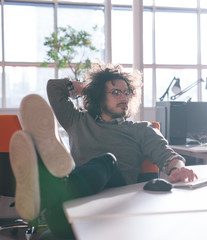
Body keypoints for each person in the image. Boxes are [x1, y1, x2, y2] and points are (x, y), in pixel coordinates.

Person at [9, 63, 197, 238]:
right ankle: (51, 195)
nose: (124, 97)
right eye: (116, 92)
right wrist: (89, 88)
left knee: (107, 161)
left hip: (116, 204)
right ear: (99, 95)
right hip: (78, 207)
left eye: (126, 92)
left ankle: (46, 193)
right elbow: (54, 87)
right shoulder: (78, 121)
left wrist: (177, 169)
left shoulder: (141, 129)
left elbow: (168, 155)